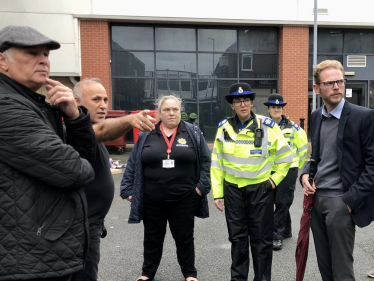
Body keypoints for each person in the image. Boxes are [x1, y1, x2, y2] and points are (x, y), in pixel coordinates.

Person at [0, 25, 96, 280]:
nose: (43, 60)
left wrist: (75, 117)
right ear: (2, 61)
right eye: (32, 53)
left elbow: (86, 159)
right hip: (27, 258)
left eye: (46, 54)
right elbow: (77, 170)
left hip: (39, 251)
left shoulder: (32, 104)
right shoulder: (6, 107)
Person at [71, 78, 156, 281]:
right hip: (78, 226)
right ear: (76, 101)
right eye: (96, 99)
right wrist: (128, 120)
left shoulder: (93, 128)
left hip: (92, 223)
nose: (103, 105)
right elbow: (101, 131)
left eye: (106, 99)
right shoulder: (76, 132)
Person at [120, 94, 211, 281]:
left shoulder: (193, 132)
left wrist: (202, 187)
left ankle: (190, 274)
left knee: (184, 238)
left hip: (185, 198)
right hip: (152, 199)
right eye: (167, 110)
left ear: (181, 112)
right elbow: (133, 162)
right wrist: (127, 188)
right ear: (159, 113)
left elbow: (205, 161)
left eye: (175, 109)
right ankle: (147, 273)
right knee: (152, 238)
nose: (171, 113)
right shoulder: (147, 133)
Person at [211, 83, 292, 281]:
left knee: (262, 241)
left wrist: (274, 180)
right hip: (233, 191)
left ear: (252, 102)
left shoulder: (268, 126)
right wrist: (217, 192)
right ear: (232, 105)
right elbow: (216, 162)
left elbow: (286, 158)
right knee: (237, 240)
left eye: (246, 100)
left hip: (261, 189)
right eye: (237, 101)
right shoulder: (224, 128)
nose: (243, 104)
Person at [301, 60, 374, 280]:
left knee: (342, 271)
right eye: (330, 83)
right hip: (317, 200)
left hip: (340, 201)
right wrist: (305, 173)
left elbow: (372, 165)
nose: (336, 87)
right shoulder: (316, 117)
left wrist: (350, 201)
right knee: (325, 268)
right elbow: (317, 155)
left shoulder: (364, 116)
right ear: (317, 88)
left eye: (340, 82)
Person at [263, 94, 308, 250]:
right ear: (268, 109)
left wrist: (296, 166)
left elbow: (303, 148)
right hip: (270, 170)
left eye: (279, 107)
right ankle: (286, 230)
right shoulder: (262, 126)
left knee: (282, 201)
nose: (276, 109)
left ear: (282, 109)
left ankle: (276, 235)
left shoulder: (293, 127)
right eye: (274, 107)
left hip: (288, 168)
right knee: (275, 201)